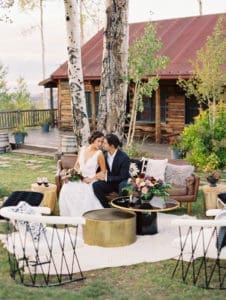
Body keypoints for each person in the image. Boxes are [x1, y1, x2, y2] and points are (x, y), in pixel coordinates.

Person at [59, 131, 106, 217]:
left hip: (90, 180)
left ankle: (84, 217)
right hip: (79, 177)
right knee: (67, 188)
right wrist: (70, 175)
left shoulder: (99, 154)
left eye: (102, 142)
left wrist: (92, 179)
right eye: (98, 141)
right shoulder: (83, 149)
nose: (100, 144)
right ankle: (70, 216)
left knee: (84, 195)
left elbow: (103, 172)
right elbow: (77, 166)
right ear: (93, 140)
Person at [93, 133, 131, 208]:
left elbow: (123, 176)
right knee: (96, 185)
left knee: (123, 186)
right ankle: (106, 207)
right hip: (109, 183)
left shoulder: (124, 157)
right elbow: (99, 169)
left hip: (121, 182)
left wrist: (108, 178)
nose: (102, 144)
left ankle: (122, 208)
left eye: (105, 143)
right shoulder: (103, 154)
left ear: (112, 146)